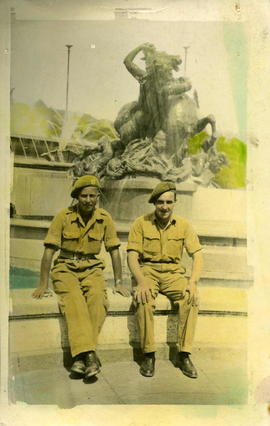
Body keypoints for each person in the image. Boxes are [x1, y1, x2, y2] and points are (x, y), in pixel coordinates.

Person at [32, 175, 129, 379]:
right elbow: (49, 251)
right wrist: (42, 284)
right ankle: (90, 355)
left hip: (92, 267)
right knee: (74, 301)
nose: (88, 200)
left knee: (97, 300)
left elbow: (114, 250)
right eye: (83, 196)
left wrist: (119, 282)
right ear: (77, 197)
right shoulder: (63, 216)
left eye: (92, 196)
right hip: (65, 267)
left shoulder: (105, 218)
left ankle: (80, 358)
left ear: (98, 196)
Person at [127, 181, 203, 378]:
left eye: (169, 202)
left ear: (175, 202)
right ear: (154, 203)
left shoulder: (184, 225)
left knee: (191, 298)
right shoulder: (140, 223)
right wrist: (141, 282)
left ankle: (184, 354)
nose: (164, 207)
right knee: (143, 298)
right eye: (160, 202)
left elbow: (198, 255)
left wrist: (192, 282)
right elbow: (132, 256)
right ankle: (148, 354)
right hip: (148, 271)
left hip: (173, 274)